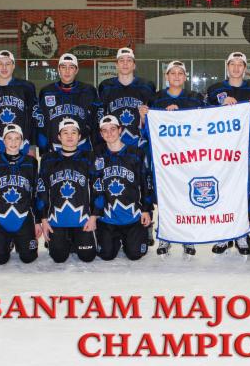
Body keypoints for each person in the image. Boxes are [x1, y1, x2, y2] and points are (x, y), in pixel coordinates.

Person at [205, 51, 250, 256]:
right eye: (232, 64)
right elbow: (203, 120)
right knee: (223, 192)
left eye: (240, 64)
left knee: (243, 193)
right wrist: (219, 107)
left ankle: (242, 234)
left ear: (245, 68)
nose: (236, 68)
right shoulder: (215, 90)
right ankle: (224, 235)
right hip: (221, 153)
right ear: (227, 66)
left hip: (246, 152)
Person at [144, 60, 204, 256]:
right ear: (166, 76)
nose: (176, 76)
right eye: (173, 73)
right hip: (165, 156)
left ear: (185, 77)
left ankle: (187, 237)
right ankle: (166, 236)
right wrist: (147, 116)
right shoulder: (156, 99)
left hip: (188, 155)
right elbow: (147, 129)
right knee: (166, 196)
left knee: (187, 195)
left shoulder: (195, 98)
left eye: (180, 73)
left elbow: (204, 124)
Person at [37, 119, 98, 263]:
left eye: (73, 132)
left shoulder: (88, 157)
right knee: (58, 257)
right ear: (59, 137)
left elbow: (97, 188)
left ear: (79, 136)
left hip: (82, 219)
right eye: (65, 133)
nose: (69, 136)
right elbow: (42, 191)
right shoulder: (48, 159)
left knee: (87, 256)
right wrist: (43, 220)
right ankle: (66, 241)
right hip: (57, 219)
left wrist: (94, 217)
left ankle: (75, 240)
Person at [94, 115, 153, 261]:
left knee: (135, 255)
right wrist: (94, 214)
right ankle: (114, 239)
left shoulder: (136, 153)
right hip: (108, 218)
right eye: (105, 130)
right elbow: (93, 187)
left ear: (120, 130)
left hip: (131, 216)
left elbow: (146, 183)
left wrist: (146, 210)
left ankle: (132, 237)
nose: (109, 133)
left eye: (113, 129)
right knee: (106, 255)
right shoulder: (97, 154)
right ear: (101, 134)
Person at [0, 124, 41, 264]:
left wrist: (37, 221)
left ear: (22, 141)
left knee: (28, 257)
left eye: (17, 138)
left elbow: (36, 193)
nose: (13, 142)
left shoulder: (31, 162)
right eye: (9, 138)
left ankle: (18, 239)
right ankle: (6, 241)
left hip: (23, 215)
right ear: (4, 140)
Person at [37, 53, 98, 154]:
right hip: (55, 149)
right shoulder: (46, 91)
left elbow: (95, 122)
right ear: (58, 69)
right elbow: (41, 124)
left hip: (82, 148)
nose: (67, 71)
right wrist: (43, 150)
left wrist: (97, 149)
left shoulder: (89, 91)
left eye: (71, 67)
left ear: (76, 70)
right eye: (63, 67)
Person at [97, 47, 155, 148]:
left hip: (139, 144)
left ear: (134, 65)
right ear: (116, 65)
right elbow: (100, 116)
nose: (125, 63)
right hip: (113, 144)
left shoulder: (146, 86)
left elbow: (153, 117)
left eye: (129, 60)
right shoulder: (106, 86)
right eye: (121, 60)